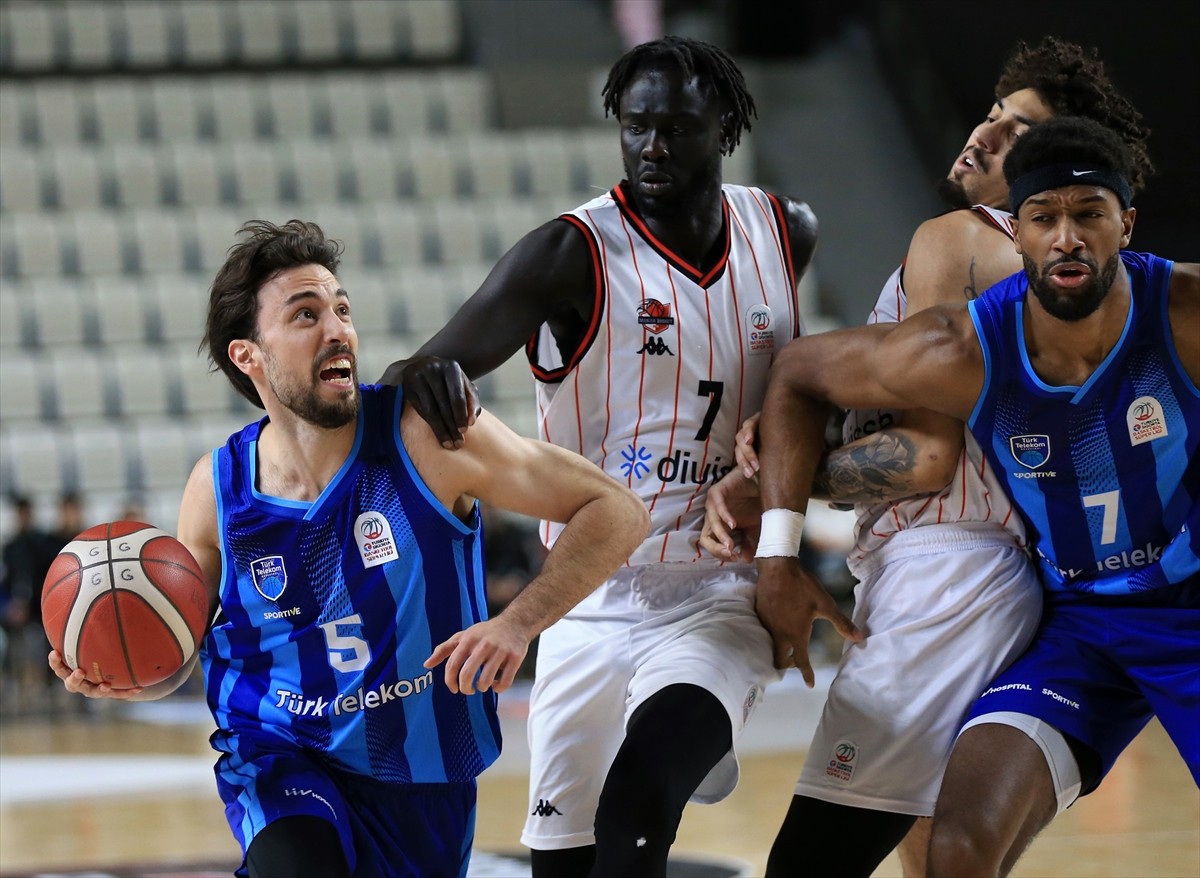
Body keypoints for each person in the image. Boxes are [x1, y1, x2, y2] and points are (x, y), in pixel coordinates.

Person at [49, 219, 649, 878]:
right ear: (249, 356)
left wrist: (518, 623)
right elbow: (183, 649)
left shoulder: (427, 439)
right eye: (305, 315)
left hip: (422, 776)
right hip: (277, 751)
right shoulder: (217, 489)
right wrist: (132, 677)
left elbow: (617, 511)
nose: (337, 330)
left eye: (341, 309)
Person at [381, 35, 837, 877]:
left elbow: (801, 396)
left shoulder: (786, 231)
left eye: (676, 128)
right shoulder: (570, 253)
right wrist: (425, 376)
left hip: (717, 591)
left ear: (724, 128)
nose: (651, 148)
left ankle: (684, 732)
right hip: (584, 594)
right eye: (636, 127)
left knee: (638, 806)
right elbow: (415, 372)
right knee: (564, 862)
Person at [700, 37, 1155, 877]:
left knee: (814, 860)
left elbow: (925, 456)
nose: (986, 134)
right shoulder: (1071, 280)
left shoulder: (957, 238)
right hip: (1016, 576)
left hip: (944, 573)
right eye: (992, 112)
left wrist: (784, 488)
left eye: (1020, 132)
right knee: (943, 851)